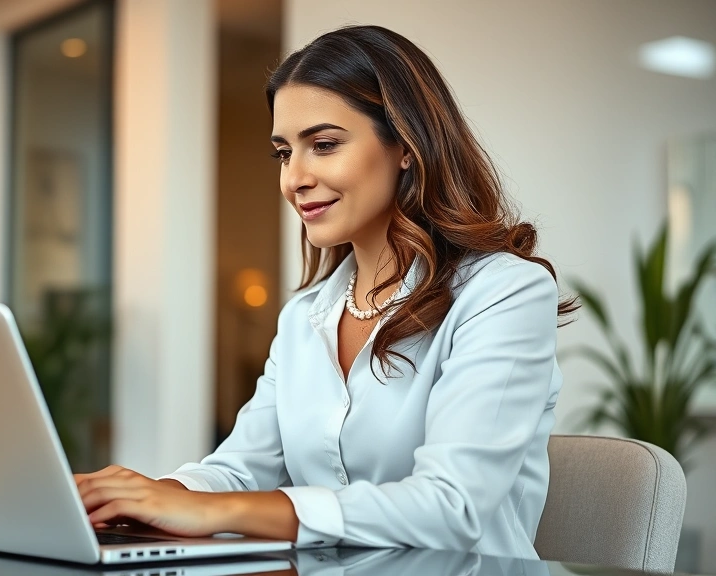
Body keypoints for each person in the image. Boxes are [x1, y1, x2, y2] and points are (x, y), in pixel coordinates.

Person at [75, 24, 578, 560]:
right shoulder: (303, 318)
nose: (294, 178)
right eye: (283, 153)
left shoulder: (503, 292)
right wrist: (148, 497)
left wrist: (216, 511)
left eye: (324, 145)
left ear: (406, 146)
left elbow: (451, 505)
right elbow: (241, 467)